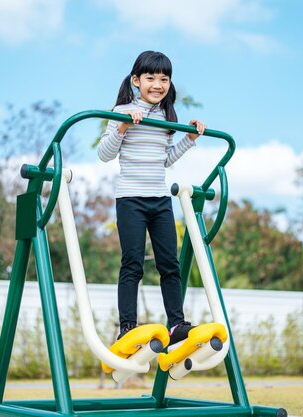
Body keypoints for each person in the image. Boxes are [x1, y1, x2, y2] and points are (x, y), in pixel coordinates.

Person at [97, 50, 206, 348]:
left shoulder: (167, 116)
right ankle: (127, 327)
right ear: (136, 80)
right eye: (150, 78)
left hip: (159, 200)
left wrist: (189, 139)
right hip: (131, 198)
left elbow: (166, 160)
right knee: (132, 263)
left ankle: (176, 324)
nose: (157, 84)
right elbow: (104, 154)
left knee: (169, 264)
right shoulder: (121, 109)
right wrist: (123, 126)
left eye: (164, 79)